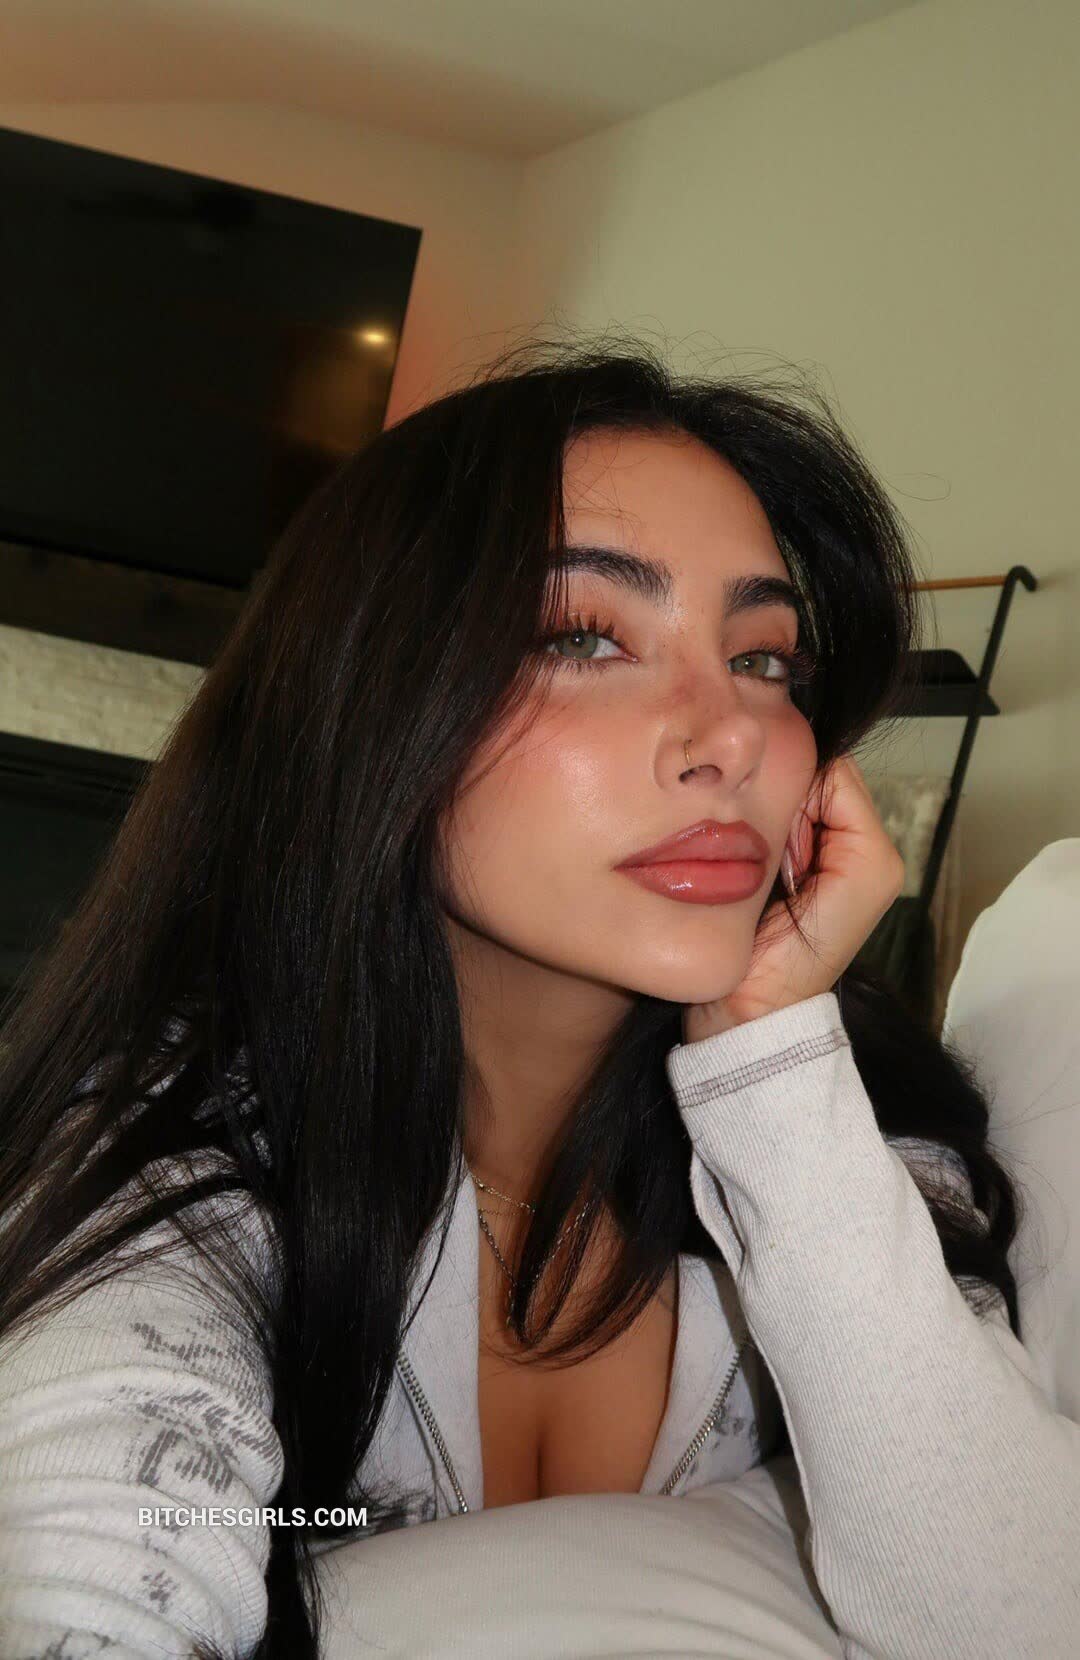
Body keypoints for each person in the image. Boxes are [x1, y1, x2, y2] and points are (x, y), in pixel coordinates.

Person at [0, 334, 1075, 1660]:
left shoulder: (848, 1129)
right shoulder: (184, 1155)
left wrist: (769, 1059)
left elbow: (1026, 1617)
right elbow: (101, 1552)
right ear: (366, 702)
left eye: (765, 659)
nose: (731, 735)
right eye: (582, 636)